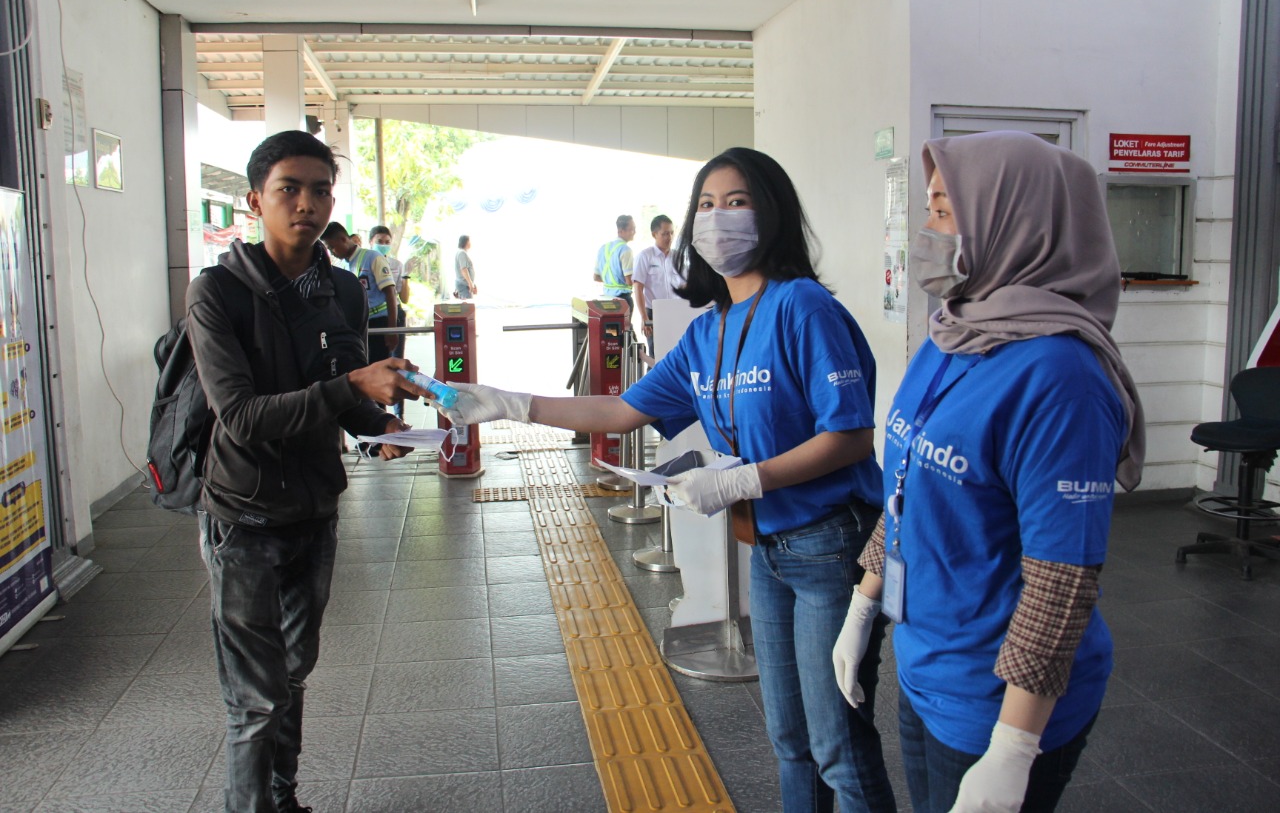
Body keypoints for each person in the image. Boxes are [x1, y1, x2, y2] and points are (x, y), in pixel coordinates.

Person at [434, 147, 895, 813]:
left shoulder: (803, 308)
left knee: (837, 744)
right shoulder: (709, 332)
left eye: (736, 202)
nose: (717, 219)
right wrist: (511, 403)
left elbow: (850, 434)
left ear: (772, 215)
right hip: (767, 549)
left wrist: (743, 481)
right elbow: (620, 410)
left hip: (828, 543)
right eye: (705, 205)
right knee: (789, 737)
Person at [833, 131, 1145, 813]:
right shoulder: (954, 329)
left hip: (994, 698)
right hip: (925, 665)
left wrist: (1012, 748)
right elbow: (907, 482)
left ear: (1012, 219)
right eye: (930, 209)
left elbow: (1061, 583)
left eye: (945, 210)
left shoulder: (1062, 377)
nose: (927, 230)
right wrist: (864, 603)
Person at [185, 130, 427, 813]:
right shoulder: (217, 294)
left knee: (292, 675)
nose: (306, 203)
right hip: (242, 518)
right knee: (255, 697)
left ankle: (284, 797)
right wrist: (352, 385)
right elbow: (240, 415)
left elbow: (342, 391)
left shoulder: (343, 291)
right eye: (288, 188)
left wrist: (381, 427)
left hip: (315, 512)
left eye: (320, 189)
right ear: (256, 199)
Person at [319, 222, 399, 366]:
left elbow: (390, 292)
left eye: (332, 247)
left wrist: (391, 329)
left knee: (379, 367)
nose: (331, 252)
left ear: (343, 239)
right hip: (358, 325)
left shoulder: (373, 258)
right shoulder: (344, 265)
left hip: (379, 323)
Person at [370, 224, 410, 417]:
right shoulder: (365, 263)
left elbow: (404, 297)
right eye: (379, 241)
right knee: (377, 366)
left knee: (397, 364)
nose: (383, 245)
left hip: (394, 317)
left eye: (387, 242)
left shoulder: (396, 265)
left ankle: (399, 414)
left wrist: (406, 276)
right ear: (371, 242)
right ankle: (379, 414)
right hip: (374, 320)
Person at [632, 213, 685, 356]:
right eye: (665, 234)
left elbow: (686, 285)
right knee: (657, 354)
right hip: (654, 313)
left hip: (676, 311)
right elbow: (638, 287)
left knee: (677, 352)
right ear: (654, 234)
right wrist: (644, 317)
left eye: (672, 233)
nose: (670, 237)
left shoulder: (678, 257)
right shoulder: (645, 256)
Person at [593, 214, 636, 311]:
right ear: (621, 231)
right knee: (625, 326)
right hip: (623, 299)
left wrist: (611, 282)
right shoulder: (626, 250)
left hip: (606, 299)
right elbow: (629, 282)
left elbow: (596, 277)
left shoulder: (603, 248)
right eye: (632, 229)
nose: (634, 232)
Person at [454, 234, 477, 299]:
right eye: (469, 241)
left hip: (464, 284)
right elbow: (464, 269)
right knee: (467, 306)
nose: (470, 243)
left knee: (466, 306)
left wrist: (472, 283)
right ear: (466, 242)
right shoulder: (462, 253)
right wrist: (470, 283)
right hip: (464, 285)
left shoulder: (460, 252)